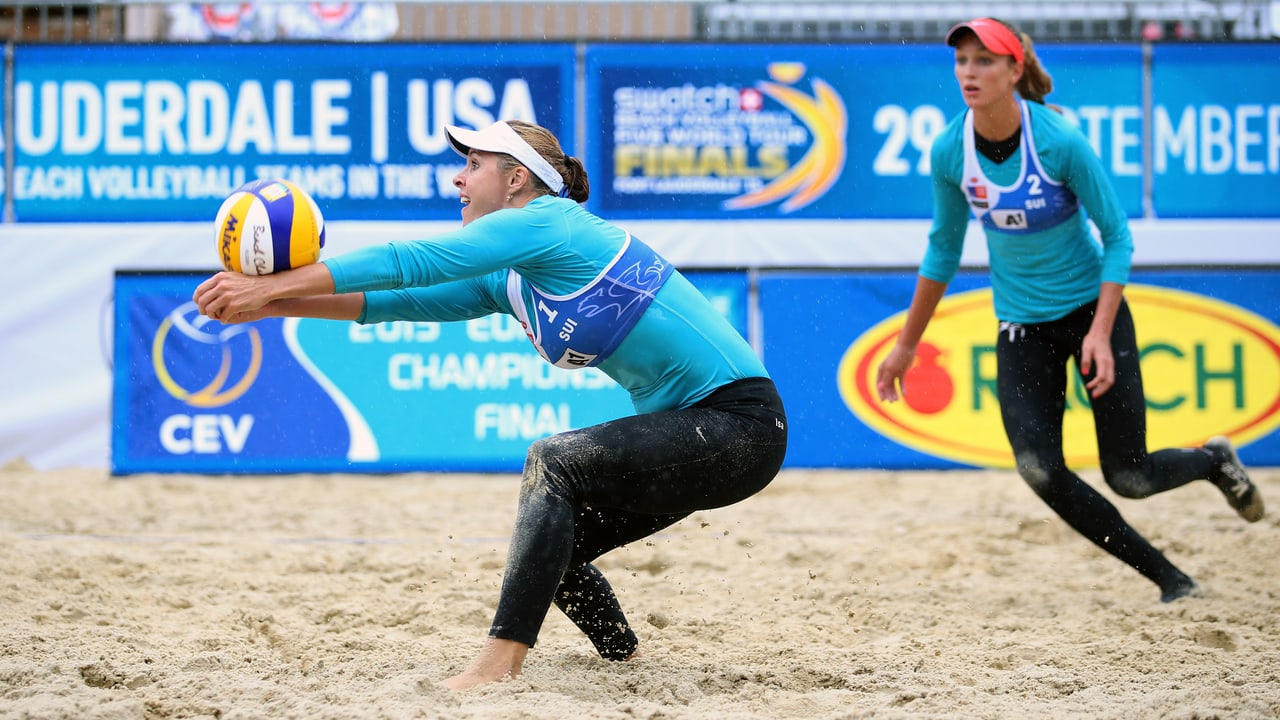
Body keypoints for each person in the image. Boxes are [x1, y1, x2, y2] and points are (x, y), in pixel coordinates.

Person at [194, 119, 788, 689]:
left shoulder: (548, 222)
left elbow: (413, 261)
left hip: (741, 424)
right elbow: (397, 300)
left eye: (473, 165)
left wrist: (273, 283)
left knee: (554, 462)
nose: (459, 178)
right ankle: (626, 660)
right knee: (550, 547)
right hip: (694, 432)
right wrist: (271, 307)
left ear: (516, 180)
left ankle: (498, 666)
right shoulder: (512, 277)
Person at [874, 18, 1264, 604]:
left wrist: (1101, 332)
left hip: (1090, 316)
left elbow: (1119, 238)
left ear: (1014, 70)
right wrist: (906, 346)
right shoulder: (950, 150)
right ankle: (1170, 580)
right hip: (1021, 326)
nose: (968, 73)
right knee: (1038, 470)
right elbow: (942, 250)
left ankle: (1213, 462)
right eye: (961, 62)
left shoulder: (1059, 141)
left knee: (1130, 476)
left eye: (984, 61)